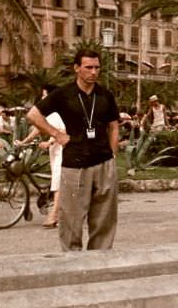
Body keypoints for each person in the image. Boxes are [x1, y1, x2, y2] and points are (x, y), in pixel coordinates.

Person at [27, 49, 120, 252]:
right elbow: (34, 115)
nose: (94, 72)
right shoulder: (63, 94)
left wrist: (112, 154)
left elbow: (114, 125)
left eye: (97, 68)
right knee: (71, 220)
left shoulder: (105, 95)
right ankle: (73, 263)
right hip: (75, 164)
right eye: (88, 67)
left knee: (104, 220)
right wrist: (57, 135)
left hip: (104, 163)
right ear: (77, 68)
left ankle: (99, 261)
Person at [16, 84, 65, 228]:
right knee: (58, 182)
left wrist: (49, 142)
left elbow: (63, 130)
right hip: (55, 152)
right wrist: (23, 142)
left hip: (64, 151)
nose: (43, 98)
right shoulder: (50, 114)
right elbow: (38, 129)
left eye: (45, 95)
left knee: (58, 184)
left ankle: (54, 216)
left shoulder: (59, 113)